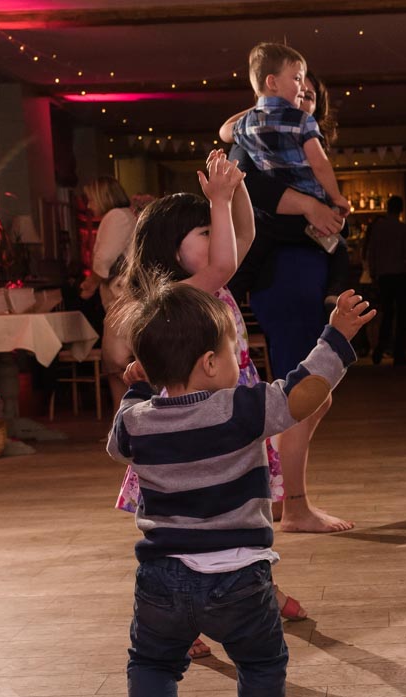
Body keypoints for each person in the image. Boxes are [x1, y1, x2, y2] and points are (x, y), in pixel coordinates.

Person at [107, 282, 374, 697]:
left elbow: (117, 442)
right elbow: (302, 393)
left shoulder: (137, 423)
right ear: (210, 363)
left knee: (151, 663)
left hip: (161, 579)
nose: (240, 360)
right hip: (238, 578)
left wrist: (141, 387)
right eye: (235, 349)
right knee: (262, 660)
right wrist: (336, 337)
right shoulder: (240, 409)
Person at [111, 151, 307, 654]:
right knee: (188, 524)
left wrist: (236, 190)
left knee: (247, 512)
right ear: (174, 253)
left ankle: (259, 588)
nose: (216, 237)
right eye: (202, 231)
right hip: (196, 429)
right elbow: (224, 260)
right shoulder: (182, 295)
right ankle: (183, 614)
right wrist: (217, 198)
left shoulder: (208, 283)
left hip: (229, 417)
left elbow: (244, 238)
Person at [223, 64, 356, 534]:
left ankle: (286, 499)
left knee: (311, 394)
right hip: (284, 270)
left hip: (302, 270)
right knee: (303, 393)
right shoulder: (255, 142)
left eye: (310, 96)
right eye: (296, 90)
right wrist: (313, 207)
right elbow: (244, 181)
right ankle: (294, 505)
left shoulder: (297, 151)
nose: (303, 100)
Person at [226, 43, 351, 306]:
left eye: (309, 96)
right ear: (272, 83)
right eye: (298, 83)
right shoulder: (297, 125)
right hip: (286, 264)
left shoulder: (248, 127)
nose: (302, 93)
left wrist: (262, 108)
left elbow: (225, 130)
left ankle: (228, 301)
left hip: (297, 245)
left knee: (248, 264)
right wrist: (330, 199)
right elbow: (250, 186)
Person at [78, 176, 138, 411]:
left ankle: (123, 420)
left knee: (116, 361)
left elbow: (104, 259)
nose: (89, 206)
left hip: (122, 300)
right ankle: (121, 420)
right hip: (123, 299)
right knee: (118, 363)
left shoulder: (115, 217)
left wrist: (91, 283)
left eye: (90, 200)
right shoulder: (124, 216)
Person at [363, 195, 406, 366]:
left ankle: (380, 349)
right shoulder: (403, 229)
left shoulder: (378, 228)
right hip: (401, 274)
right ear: (401, 209)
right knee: (402, 316)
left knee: (386, 314)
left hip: (384, 276)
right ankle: (399, 353)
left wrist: (373, 273)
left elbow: (372, 252)